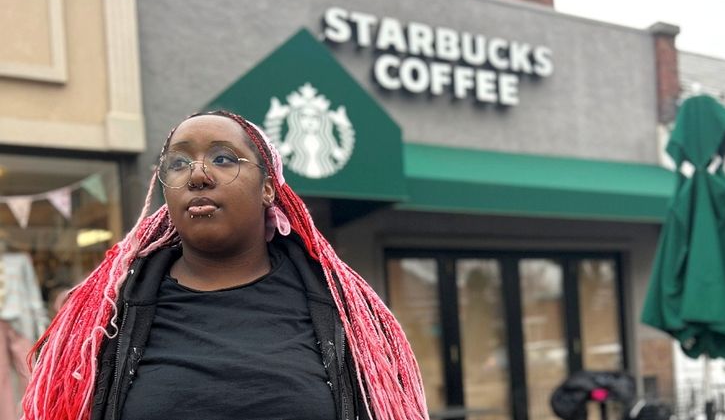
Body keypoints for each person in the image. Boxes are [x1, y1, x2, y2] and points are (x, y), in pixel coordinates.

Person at [21, 111, 428, 420]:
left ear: (268, 188)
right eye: (178, 164)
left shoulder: (346, 313)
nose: (197, 174)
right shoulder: (107, 317)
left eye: (223, 158)